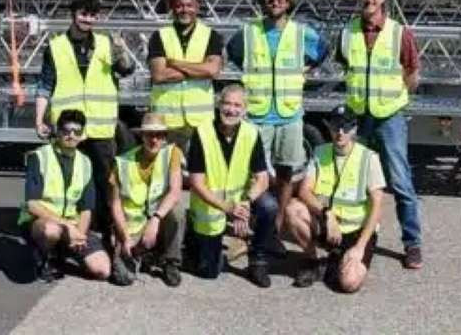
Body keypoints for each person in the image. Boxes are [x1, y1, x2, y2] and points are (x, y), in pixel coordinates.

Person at [335, 0, 423, 269]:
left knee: (400, 181)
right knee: (355, 178)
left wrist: (397, 100)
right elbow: (346, 66)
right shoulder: (348, 32)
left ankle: (412, 243)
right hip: (358, 116)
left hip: (389, 116)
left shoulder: (399, 33)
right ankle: (360, 234)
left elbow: (412, 74)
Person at [33, 0, 135, 237]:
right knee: (68, 179)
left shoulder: (106, 43)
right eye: (83, 13)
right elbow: (45, 86)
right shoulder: (56, 47)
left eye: (92, 15)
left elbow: (127, 70)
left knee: (105, 182)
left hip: (101, 129)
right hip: (69, 129)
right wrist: (38, 119)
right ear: (73, 14)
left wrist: (122, 52)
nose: (87, 19)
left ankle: (104, 230)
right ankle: (66, 229)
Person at [225, 0, 327, 212]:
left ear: (288, 2)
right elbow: (234, 52)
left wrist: (306, 69)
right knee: (253, 171)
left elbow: (323, 50)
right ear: (264, 2)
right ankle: (251, 219)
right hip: (258, 115)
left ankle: (278, 221)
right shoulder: (249, 32)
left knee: (286, 173)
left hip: (289, 114)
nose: (274, 3)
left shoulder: (301, 33)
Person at [185, 83, 280, 287]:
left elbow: (262, 179)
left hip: (239, 202)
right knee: (209, 273)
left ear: (245, 110)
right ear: (218, 105)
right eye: (227, 104)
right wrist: (228, 208)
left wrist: (244, 205)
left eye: (237, 105)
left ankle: (258, 260)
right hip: (210, 208)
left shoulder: (251, 133)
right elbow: (196, 183)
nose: (231, 110)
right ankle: (193, 237)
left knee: (269, 206)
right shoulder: (202, 133)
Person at [283, 107, 386, 293]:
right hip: (328, 225)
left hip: (355, 232)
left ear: (354, 129)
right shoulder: (320, 152)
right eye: (336, 127)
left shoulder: (369, 158)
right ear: (329, 128)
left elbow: (378, 207)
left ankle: (334, 263)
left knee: (349, 283)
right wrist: (327, 214)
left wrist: (360, 247)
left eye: (346, 128)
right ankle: (313, 262)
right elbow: (305, 191)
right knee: (292, 209)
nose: (340, 133)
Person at [20, 108, 113, 283]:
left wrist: (80, 234)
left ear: (82, 134)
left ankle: (64, 249)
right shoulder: (39, 157)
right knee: (51, 231)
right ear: (58, 131)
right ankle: (44, 256)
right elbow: (32, 204)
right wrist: (66, 226)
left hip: (73, 224)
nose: (71, 135)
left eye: (76, 131)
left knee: (103, 270)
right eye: (66, 130)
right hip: (40, 222)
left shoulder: (85, 162)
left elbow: (86, 208)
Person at [107, 112, 186, 287]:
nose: (154, 140)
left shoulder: (172, 153)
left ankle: (170, 262)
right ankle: (145, 255)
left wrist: (155, 220)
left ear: (165, 137)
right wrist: (125, 237)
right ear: (142, 136)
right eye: (149, 134)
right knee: (123, 278)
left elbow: (175, 192)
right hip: (132, 225)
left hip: (159, 219)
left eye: (159, 135)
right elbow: (115, 204)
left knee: (177, 211)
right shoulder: (122, 162)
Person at [148, 0, 221, 148]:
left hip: (200, 120)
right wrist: (198, 70)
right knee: (167, 168)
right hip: (167, 119)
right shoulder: (159, 35)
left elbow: (212, 71)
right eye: (180, 6)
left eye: (189, 5)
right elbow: (159, 75)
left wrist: (175, 63)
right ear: (173, 8)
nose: (184, 10)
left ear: (197, 8)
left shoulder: (211, 35)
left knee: (197, 171)